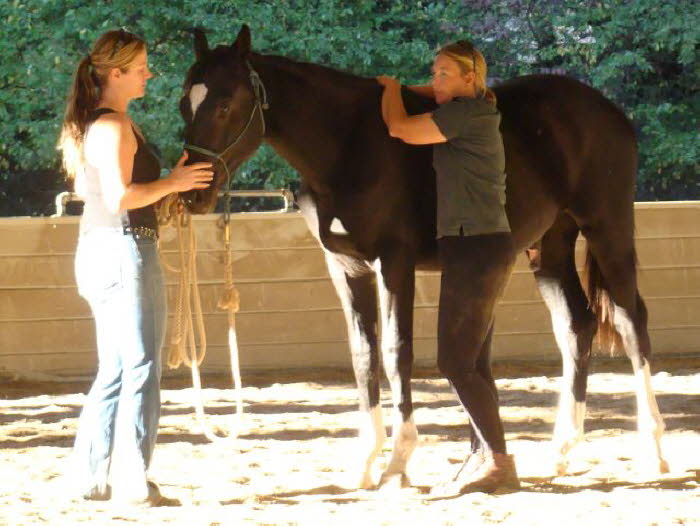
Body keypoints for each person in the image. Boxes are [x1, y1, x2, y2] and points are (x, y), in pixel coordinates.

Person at [57, 29, 213, 505]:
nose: (149, 74)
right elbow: (119, 198)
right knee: (141, 366)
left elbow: (102, 195)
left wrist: (168, 187)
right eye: (141, 67)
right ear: (116, 73)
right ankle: (132, 479)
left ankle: (93, 477)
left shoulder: (99, 124)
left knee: (116, 369)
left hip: (107, 247)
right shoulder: (112, 127)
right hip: (124, 249)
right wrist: (173, 182)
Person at [377, 40, 519, 495]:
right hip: (472, 246)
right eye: (432, 73)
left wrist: (389, 88)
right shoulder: (469, 107)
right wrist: (412, 85)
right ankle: (486, 457)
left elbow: (399, 127)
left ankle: (499, 463)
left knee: (455, 362)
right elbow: (427, 93)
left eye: (443, 74)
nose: (434, 81)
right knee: (472, 361)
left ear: (469, 80)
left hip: (476, 248)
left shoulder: (465, 114)